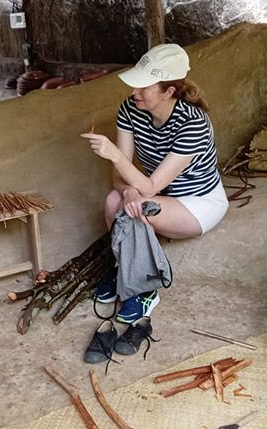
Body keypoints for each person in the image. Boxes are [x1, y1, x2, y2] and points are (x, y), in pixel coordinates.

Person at [80, 44, 228, 360]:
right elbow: (120, 179)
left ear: (168, 91)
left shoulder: (193, 123)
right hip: (153, 191)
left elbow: (148, 183)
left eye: (144, 87)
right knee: (114, 201)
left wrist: (116, 158)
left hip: (196, 202)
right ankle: (123, 269)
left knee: (139, 212)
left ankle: (146, 289)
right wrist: (128, 191)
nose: (134, 92)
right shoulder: (130, 108)